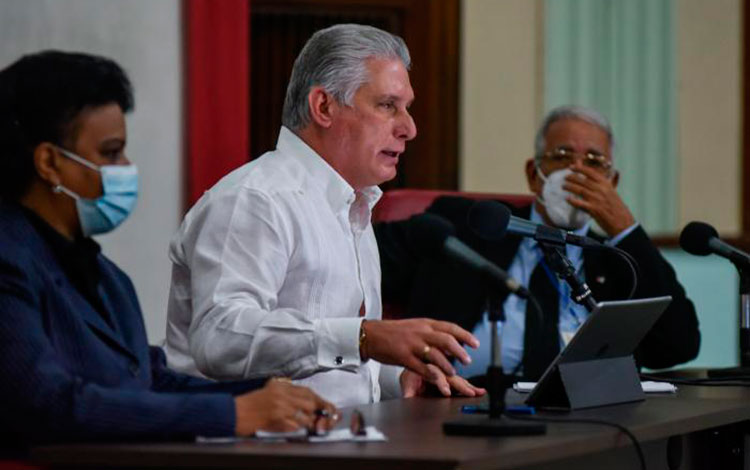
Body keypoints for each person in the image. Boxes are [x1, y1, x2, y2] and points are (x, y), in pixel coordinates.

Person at [0, 51, 337, 455]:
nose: (126, 167)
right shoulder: (9, 260)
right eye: (110, 153)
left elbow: (149, 380)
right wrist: (232, 415)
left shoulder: (106, 276)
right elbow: (48, 406)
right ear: (49, 162)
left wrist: (266, 394)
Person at [165, 24, 485, 407]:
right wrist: (364, 337)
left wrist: (398, 375)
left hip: (343, 439)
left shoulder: (355, 205)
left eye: (407, 109)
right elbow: (220, 339)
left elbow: (341, 370)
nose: (409, 129)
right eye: (387, 106)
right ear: (324, 107)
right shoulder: (254, 200)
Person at [376, 105, 701, 380]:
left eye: (594, 162)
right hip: (461, 406)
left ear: (612, 182)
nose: (577, 171)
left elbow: (678, 345)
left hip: (585, 420)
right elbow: (363, 261)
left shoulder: (618, 261)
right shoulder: (470, 224)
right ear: (534, 173)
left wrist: (625, 230)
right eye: (562, 156)